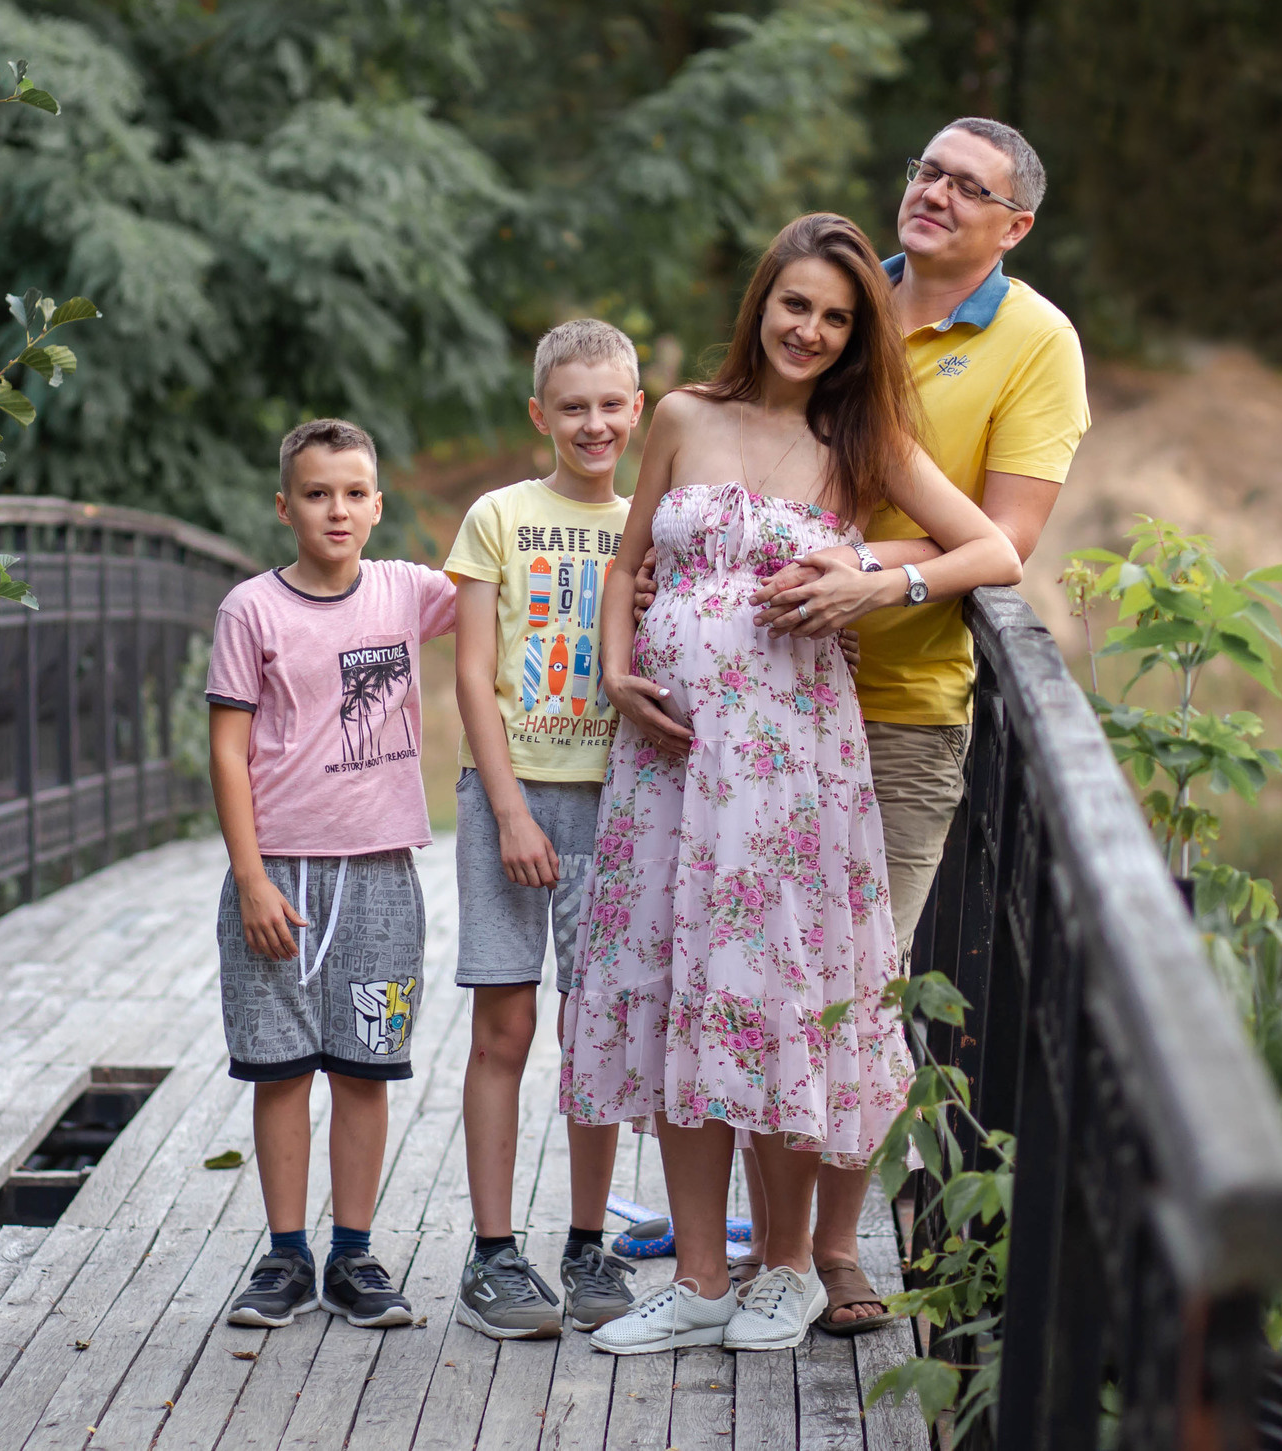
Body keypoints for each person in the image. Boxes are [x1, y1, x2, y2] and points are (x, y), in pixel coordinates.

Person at [569, 212, 1023, 1355]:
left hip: (787, 774)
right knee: (679, 987)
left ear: (856, 331)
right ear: (760, 303)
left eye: (834, 316)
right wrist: (618, 672)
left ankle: (785, 1270)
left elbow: (993, 550)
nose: (809, 331)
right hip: (667, 767)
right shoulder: (680, 415)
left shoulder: (856, 439)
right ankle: (701, 1278)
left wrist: (875, 577)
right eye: (794, 306)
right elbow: (627, 564)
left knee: (771, 997)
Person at [731, 118, 1091, 1335]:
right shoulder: (838, 302)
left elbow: (1008, 541)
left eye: (966, 185)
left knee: (854, 988)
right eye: (925, 171)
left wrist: (868, 576)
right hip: (763, 698)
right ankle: (772, 1250)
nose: (933, 193)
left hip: (898, 709)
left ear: (1013, 225)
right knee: (764, 975)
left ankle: (834, 1248)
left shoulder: (1036, 341)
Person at [209, 419, 459, 1330]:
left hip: (381, 880)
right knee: (280, 1072)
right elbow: (228, 753)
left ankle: (354, 1254)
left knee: (363, 1069)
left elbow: (508, 599)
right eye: (317, 494)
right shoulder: (252, 610)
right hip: (276, 877)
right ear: (286, 507)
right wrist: (250, 878)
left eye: (355, 493)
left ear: (379, 505)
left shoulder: (408, 591)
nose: (337, 509)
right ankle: (284, 1256)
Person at [443, 318, 645, 1340]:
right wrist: (512, 807)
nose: (593, 422)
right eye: (573, 406)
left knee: (595, 1028)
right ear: (540, 417)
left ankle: (587, 1243)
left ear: (639, 410)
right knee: (508, 1024)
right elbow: (470, 674)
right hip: (510, 797)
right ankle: (491, 1254)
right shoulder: (499, 517)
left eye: (611, 404)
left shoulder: (649, 525)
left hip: (620, 801)